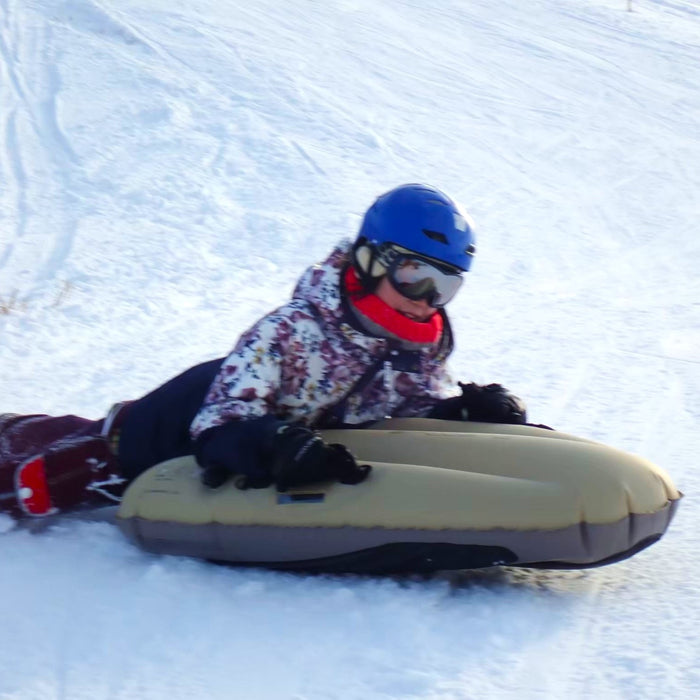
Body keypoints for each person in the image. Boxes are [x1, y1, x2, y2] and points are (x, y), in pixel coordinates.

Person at [0, 184, 527, 520]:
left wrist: (458, 410)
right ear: (369, 259)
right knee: (41, 479)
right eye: (414, 276)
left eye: (445, 285)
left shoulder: (420, 346)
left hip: (241, 419)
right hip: (166, 427)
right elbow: (220, 422)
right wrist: (274, 445)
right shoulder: (293, 331)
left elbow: (408, 407)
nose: (426, 300)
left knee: (55, 430)